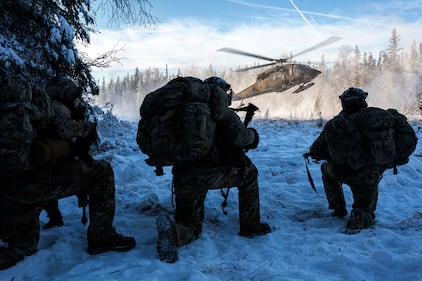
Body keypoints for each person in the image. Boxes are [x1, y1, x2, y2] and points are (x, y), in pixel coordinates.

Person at [0, 76, 136, 270]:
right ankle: (101, 236)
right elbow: (63, 128)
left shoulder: (25, 111)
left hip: (9, 188)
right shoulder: (55, 107)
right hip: (32, 186)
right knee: (102, 171)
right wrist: (86, 128)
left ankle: (22, 236)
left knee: (23, 246)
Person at [156, 76, 271, 263]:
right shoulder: (222, 112)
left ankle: (176, 232)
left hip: (184, 175)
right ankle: (251, 225)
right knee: (249, 174)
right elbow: (241, 138)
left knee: (190, 224)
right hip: (212, 173)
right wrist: (254, 136)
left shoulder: (182, 111)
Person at [308, 87, 390, 233]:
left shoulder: (333, 125)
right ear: (363, 101)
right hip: (369, 176)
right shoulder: (376, 120)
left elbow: (315, 149)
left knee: (326, 168)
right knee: (366, 210)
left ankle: (337, 206)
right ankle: (360, 214)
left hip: (342, 172)